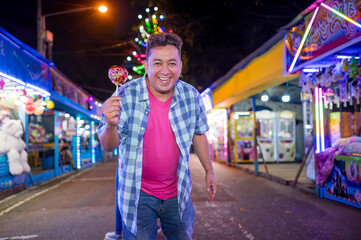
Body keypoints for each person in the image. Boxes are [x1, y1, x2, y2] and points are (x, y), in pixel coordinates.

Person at [97, 32, 217, 240]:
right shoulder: (124, 95)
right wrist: (110, 125)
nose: (165, 71)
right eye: (157, 63)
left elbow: (199, 133)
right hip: (137, 193)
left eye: (171, 63)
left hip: (177, 191)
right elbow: (109, 145)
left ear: (180, 65)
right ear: (147, 66)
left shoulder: (191, 96)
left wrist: (209, 170)